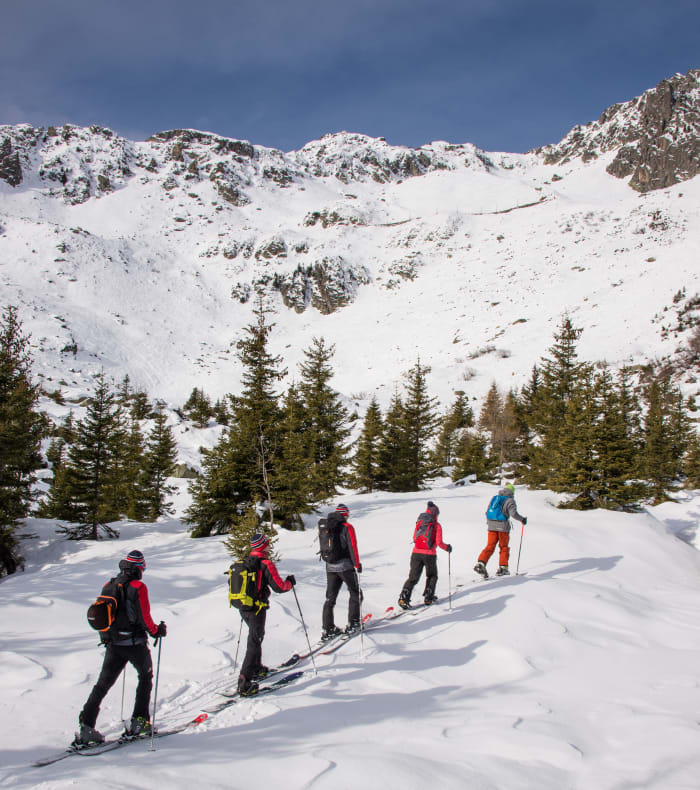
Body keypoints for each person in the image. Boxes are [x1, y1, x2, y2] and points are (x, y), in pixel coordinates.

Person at [76, 550, 167, 745]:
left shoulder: (108, 584)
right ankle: (140, 721)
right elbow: (145, 617)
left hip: (112, 643)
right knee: (145, 677)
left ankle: (86, 726)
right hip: (134, 643)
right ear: (139, 568)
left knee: (102, 685)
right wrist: (156, 631)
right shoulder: (138, 587)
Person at [236, 533, 295, 697]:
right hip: (257, 608)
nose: (270, 546)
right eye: (267, 544)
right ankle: (244, 680)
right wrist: (290, 583)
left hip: (243, 607)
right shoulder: (265, 563)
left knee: (256, 636)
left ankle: (256, 668)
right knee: (255, 640)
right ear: (263, 546)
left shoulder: (244, 562)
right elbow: (279, 587)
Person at [398, 501, 451, 609]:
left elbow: (414, 538)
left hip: (416, 553)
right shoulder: (436, 525)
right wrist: (447, 547)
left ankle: (403, 597)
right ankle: (428, 597)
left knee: (413, 577)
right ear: (436, 514)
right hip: (429, 554)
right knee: (432, 576)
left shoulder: (419, 522)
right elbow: (439, 543)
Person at [321, 503, 362, 640]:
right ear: (345, 514)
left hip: (330, 566)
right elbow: (352, 546)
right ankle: (354, 623)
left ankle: (328, 628)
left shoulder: (326, 524)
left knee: (330, 598)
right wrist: (357, 564)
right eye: (348, 514)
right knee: (356, 593)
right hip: (345, 566)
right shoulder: (347, 527)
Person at [474, 482, 527, 578]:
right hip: (503, 527)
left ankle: (481, 563)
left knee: (490, 546)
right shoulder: (510, 500)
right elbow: (513, 514)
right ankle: (503, 568)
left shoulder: (496, 498)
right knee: (504, 547)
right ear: (512, 492)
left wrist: (490, 523)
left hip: (491, 525)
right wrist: (522, 519)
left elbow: (487, 512)